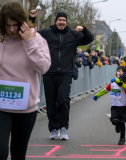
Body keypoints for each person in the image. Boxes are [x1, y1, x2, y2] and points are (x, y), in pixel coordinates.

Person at [29, 9, 94, 140]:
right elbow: (31, 35)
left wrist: (83, 30)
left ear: (66, 22)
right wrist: (31, 18)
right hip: (49, 73)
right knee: (51, 103)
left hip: (66, 73)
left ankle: (63, 128)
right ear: (56, 21)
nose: (62, 22)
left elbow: (89, 39)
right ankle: (53, 129)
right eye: (59, 20)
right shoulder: (47, 33)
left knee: (63, 100)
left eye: (64, 20)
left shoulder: (73, 35)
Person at [0, 2, 51, 159]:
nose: (12, 30)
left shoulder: (37, 39)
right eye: (8, 26)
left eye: (15, 25)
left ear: (23, 22)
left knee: (18, 153)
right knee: (0, 151)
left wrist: (30, 42)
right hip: (1, 106)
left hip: (26, 108)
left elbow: (43, 68)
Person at [93, 66, 126, 145]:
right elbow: (105, 90)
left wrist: (117, 80)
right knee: (114, 121)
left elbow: (123, 86)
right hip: (114, 106)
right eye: (118, 71)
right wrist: (97, 95)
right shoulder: (112, 83)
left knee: (122, 123)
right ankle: (117, 125)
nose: (120, 72)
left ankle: (122, 138)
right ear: (116, 72)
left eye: (122, 71)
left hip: (123, 106)